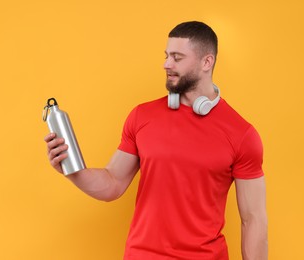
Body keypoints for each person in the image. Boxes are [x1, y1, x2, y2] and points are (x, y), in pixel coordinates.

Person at [44, 21, 268, 260]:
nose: (166, 64)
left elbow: (253, 219)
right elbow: (113, 183)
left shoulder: (241, 134)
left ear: (207, 62)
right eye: (166, 55)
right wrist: (71, 169)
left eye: (177, 57)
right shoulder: (142, 116)